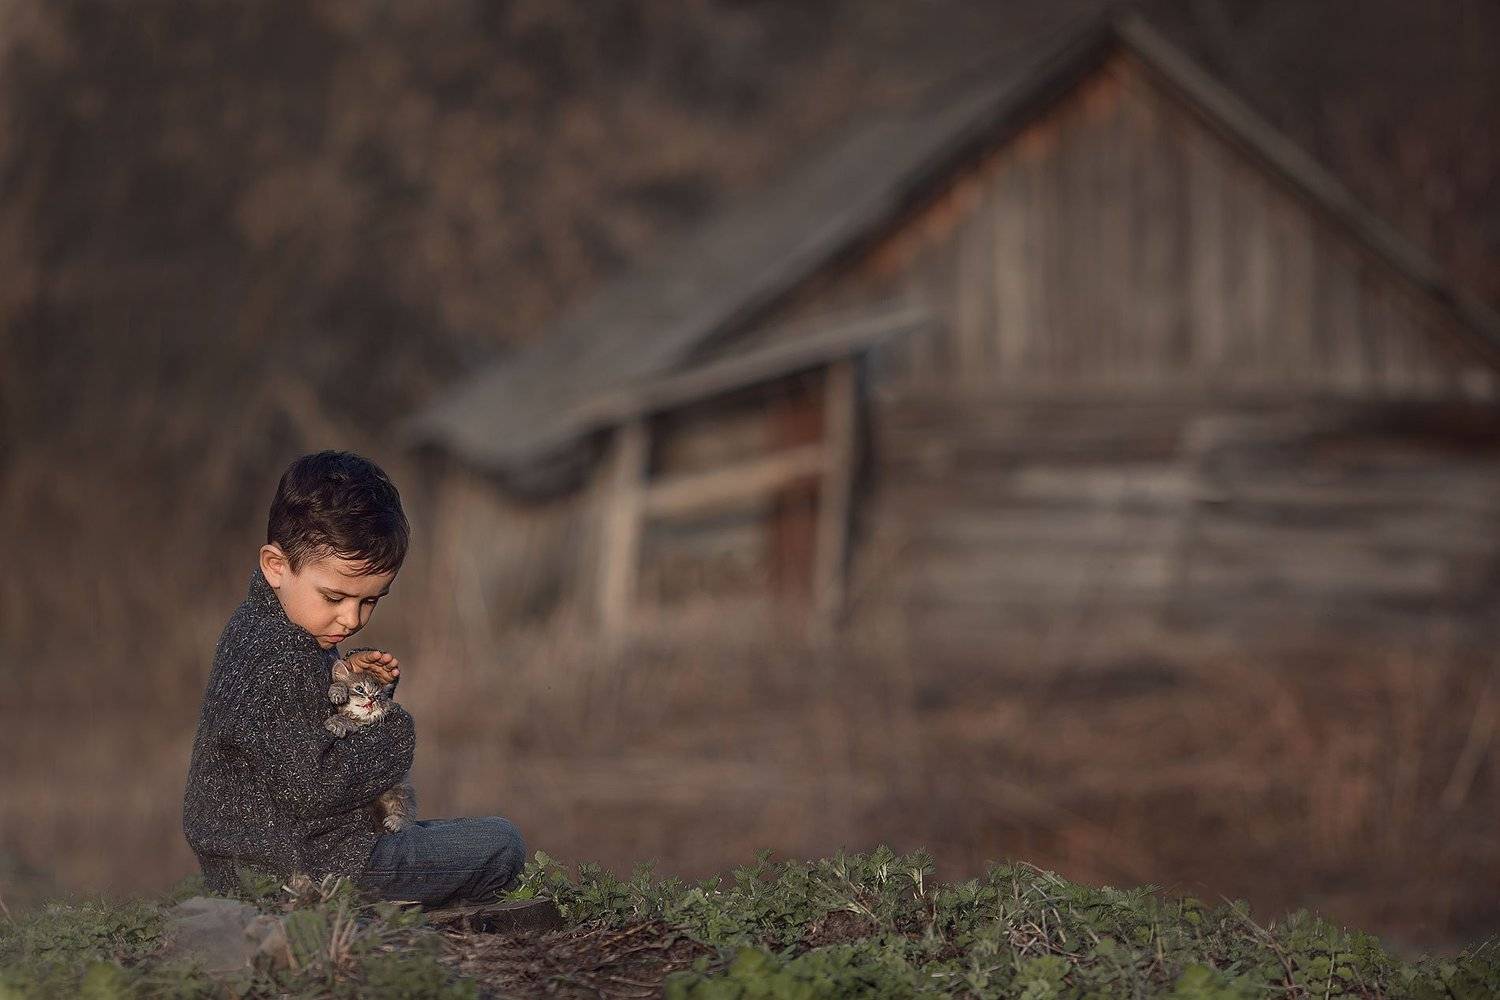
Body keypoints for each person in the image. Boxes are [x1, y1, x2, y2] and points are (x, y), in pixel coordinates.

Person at [181, 450, 525, 908]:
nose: (351, 619)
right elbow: (313, 787)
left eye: (370, 601)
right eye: (335, 597)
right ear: (276, 565)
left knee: (467, 836)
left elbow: (306, 741)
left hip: (271, 855)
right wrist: (393, 730)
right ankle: (376, 923)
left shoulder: (265, 625)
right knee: (502, 844)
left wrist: (359, 690)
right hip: (309, 867)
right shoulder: (283, 656)